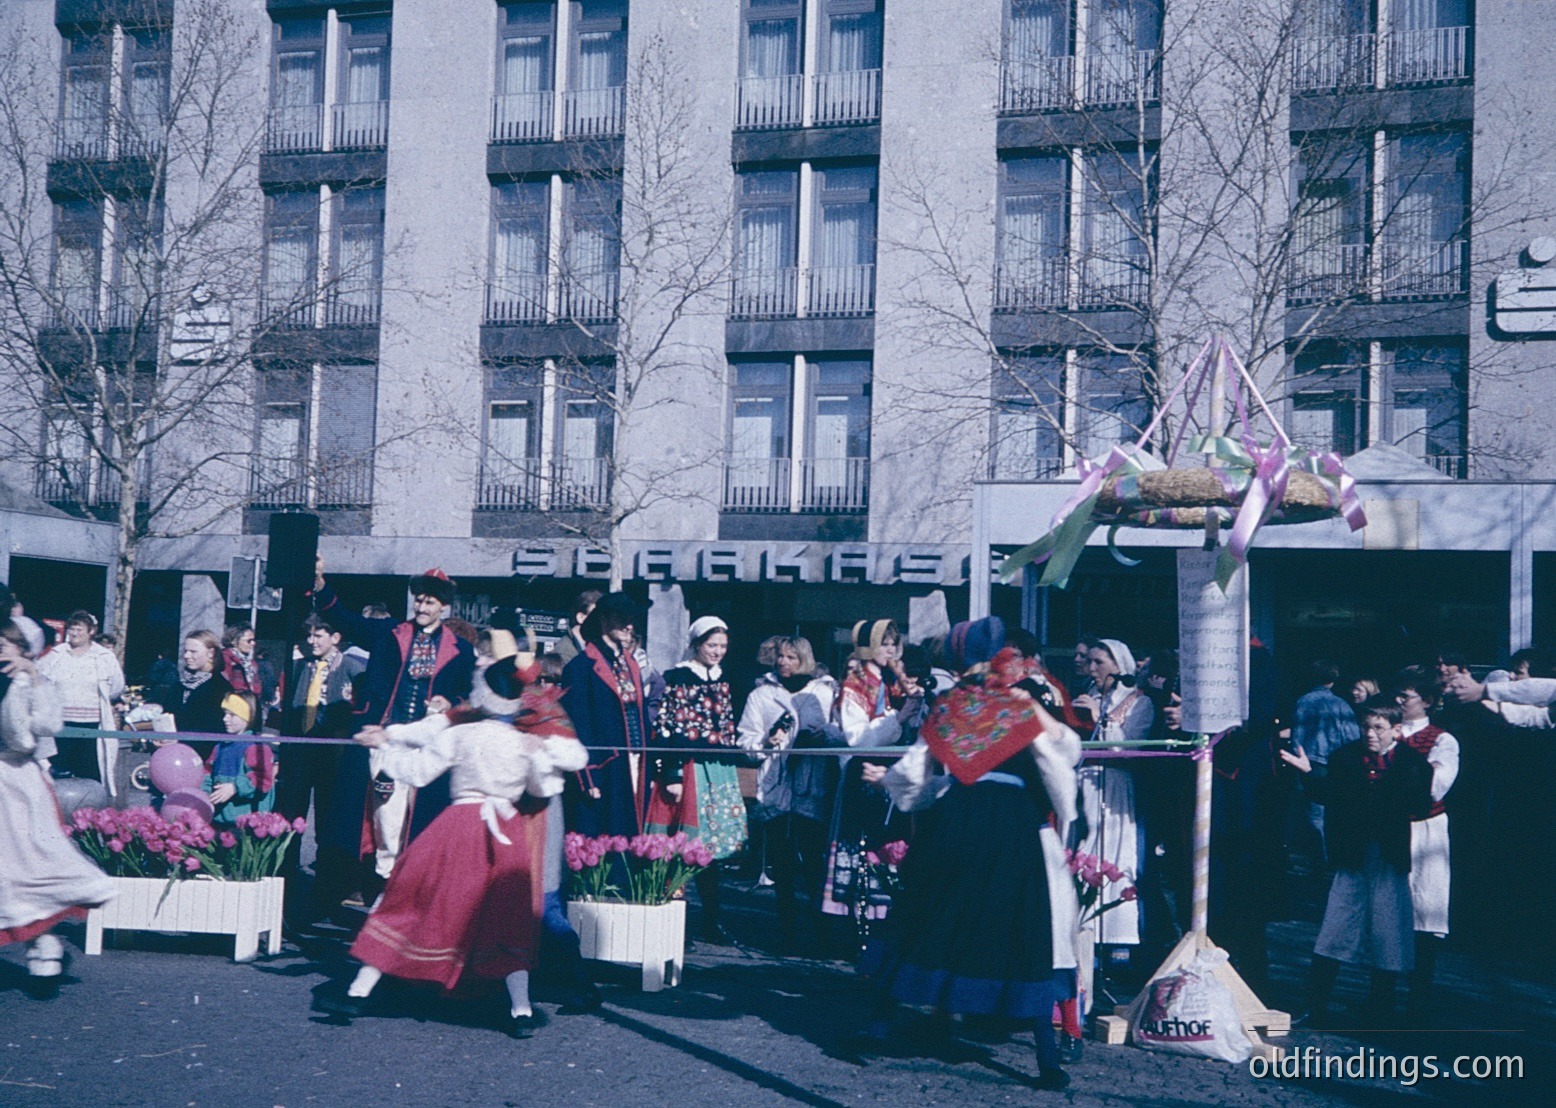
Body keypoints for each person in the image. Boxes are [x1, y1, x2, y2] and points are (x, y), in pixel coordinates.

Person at [316, 654, 587, 1037]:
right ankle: (521, 1010)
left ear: (483, 694)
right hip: (505, 834)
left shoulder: (461, 733)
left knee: (410, 903)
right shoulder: (524, 741)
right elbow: (543, 788)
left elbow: (417, 772)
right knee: (506, 917)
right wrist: (538, 758)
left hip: (455, 828)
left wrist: (384, 746)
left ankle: (357, 992)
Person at [860, 635, 1081, 1091]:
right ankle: (1047, 1059)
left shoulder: (950, 706)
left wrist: (890, 785)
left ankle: (880, 1025)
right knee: (1024, 930)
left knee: (929, 917)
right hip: (1014, 829)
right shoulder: (1016, 706)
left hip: (958, 821)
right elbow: (1065, 755)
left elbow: (916, 772)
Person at [312, 560, 476, 888]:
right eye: (418, 599)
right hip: (382, 740)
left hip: (426, 748)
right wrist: (319, 585)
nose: (421, 606)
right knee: (373, 820)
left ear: (443, 607)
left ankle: (406, 891)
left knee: (415, 823)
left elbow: (469, 696)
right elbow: (345, 619)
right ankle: (368, 887)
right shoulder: (390, 633)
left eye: (430, 601)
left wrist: (451, 703)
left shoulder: (463, 651)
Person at [1283, 699, 1432, 1027]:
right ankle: (1315, 1003)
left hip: (1389, 856)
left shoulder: (1413, 763)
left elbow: (1418, 804)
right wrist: (1310, 774)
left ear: (1395, 729)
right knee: (1337, 924)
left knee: (1388, 928)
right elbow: (1328, 794)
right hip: (1352, 855)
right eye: (1365, 726)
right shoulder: (1345, 758)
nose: (1370, 734)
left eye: (1378, 728)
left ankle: (1381, 1006)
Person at [0, 621, 117, 999]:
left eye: (6, 646)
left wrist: (33, 683)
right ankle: (40, 943)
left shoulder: (29, 683)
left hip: (16, 780)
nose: (0, 653)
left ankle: (43, 942)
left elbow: (43, 727)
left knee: (30, 861)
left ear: (23, 651)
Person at [737, 635, 843, 952]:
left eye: (791, 657)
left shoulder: (825, 694)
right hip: (777, 791)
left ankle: (822, 936)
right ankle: (785, 934)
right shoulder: (761, 695)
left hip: (811, 791)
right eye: (780, 656)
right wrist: (767, 743)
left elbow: (843, 736)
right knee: (781, 870)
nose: (783, 662)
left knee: (814, 867)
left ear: (804, 660)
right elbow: (746, 741)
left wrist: (822, 736)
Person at [821, 619, 924, 927]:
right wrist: (899, 718)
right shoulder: (854, 685)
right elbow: (857, 738)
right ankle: (856, 919)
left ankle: (885, 915)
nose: (890, 650)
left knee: (890, 844)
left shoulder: (893, 681)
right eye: (884, 644)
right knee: (860, 844)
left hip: (890, 772)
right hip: (863, 773)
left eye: (894, 644)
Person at [652, 616, 748, 943]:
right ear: (697, 644)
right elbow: (668, 728)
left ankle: (711, 918)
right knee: (684, 842)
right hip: (691, 765)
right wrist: (672, 771)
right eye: (712, 645)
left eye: (723, 645)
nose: (718, 651)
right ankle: (673, 918)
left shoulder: (730, 677)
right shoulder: (677, 677)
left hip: (719, 767)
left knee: (712, 846)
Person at [274, 614, 367, 922]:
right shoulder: (300, 667)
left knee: (329, 821)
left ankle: (329, 889)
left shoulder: (353, 668)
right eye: (310, 636)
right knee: (292, 814)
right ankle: (287, 885)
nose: (312, 641)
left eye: (319, 636)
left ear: (335, 638)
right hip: (301, 751)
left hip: (334, 754)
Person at [560, 592, 672, 842]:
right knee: (602, 837)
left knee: (631, 832)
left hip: (635, 762)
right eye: (622, 619)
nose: (629, 625)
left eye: (632, 619)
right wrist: (587, 775)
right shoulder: (580, 668)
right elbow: (577, 726)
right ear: (604, 620)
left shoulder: (630, 664)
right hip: (603, 767)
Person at [1070, 637, 1153, 947]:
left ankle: (1115, 936)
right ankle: (1080, 927)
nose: (1092, 669)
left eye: (1099, 663)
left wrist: (1097, 717)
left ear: (1120, 666)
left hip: (1115, 786)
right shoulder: (1092, 694)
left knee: (1112, 851)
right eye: (1089, 662)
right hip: (1085, 781)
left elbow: (1126, 746)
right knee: (1083, 849)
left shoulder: (1139, 702)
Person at [1392, 666, 1459, 1024]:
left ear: (1428, 701)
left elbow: (1434, 787)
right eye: (1398, 695)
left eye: (1407, 696)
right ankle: (1380, 998)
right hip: (1388, 827)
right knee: (1386, 909)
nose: (1399, 701)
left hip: (1425, 832)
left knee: (1425, 912)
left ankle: (1418, 1002)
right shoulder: (1386, 730)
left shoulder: (1443, 740)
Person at [36, 610, 125, 791]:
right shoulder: (56, 654)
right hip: (61, 725)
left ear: (91, 631)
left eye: (79, 629)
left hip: (90, 725)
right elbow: (39, 679)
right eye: (72, 629)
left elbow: (116, 686)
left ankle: (90, 815)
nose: (74, 633)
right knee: (59, 772)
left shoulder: (104, 657)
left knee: (89, 772)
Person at [1290, 659, 1361, 849]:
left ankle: (1319, 857)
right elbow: (1352, 737)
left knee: (1313, 812)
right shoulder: (1341, 704)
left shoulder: (1303, 701)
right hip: (1335, 760)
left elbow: (1298, 734)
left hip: (1310, 759)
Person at [150, 630, 235, 756]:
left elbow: (216, 729)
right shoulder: (178, 686)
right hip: (171, 757)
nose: (186, 656)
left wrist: (179, 740)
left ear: (211, 653)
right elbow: (167, 716)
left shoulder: (220, 688)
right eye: (185, 651)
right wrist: (158, 738)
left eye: (193, 652)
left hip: (203, 759)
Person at [203, 692, 277, 825]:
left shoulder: (256, 748)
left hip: (247, 823)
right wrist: (205, 792)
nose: (225, 719)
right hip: (220, 819)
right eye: (225, 713)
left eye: (232, 715)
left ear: (247, 717)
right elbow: (208, 772)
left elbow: (263, 779)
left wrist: (235, 787)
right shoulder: (220, 747)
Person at [221, 624, 279, 722]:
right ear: (235, 641)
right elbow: (223, 686)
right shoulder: (225, 658)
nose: (253, 643)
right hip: (233, 711)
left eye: (253, 640)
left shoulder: (250, 662)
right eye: (249, 640)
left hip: (250, 709)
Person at [553, 589, 603, 666]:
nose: (602, 622)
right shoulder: (564, 654)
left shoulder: (593, 648)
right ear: (581, 618)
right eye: (596, 617)